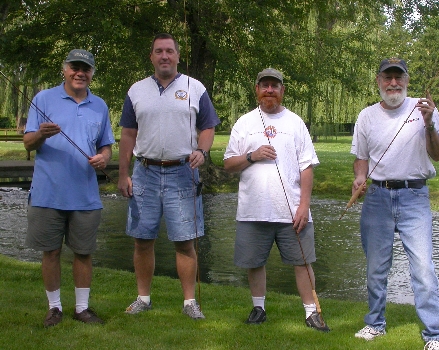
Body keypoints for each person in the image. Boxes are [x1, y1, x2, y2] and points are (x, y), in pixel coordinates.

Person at [118, 33, 219, 319]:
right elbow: (127, 134)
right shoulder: (136, 90)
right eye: (159, 51)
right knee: (142, 238)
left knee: (185, 240)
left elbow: (209, 127)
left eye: (170, 51)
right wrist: (124, 174)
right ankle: (143, 298)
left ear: (177, 56)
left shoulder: (194, 87)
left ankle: (189, 302)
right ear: (151, 56)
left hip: (183, 172)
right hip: (145, 172)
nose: (164, 56)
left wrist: (202, 149)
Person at [350, 57, 439, 350]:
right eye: (387, 77)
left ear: (406, 80)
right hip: (377, 198)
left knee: (422, 267)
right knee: (376, 268)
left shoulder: (424, 108)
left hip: (414, 197)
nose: (393, 83)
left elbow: (438, 154)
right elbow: (361, 157)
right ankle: (375, 323)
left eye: (399, 77)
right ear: (378, 80)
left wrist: (429, 123)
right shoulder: (366, 116)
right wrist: (359, 178)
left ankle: (434, 334)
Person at [223, 68, 329, 332]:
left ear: (282, 91)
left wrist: (304, 205)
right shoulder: (244, 123)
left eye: (275, 86)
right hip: (253, 210)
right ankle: (258, 308)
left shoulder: (295, 123)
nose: (269, 90)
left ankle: (311, 312)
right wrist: (252, 155)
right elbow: (228, 164)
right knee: (254, 262)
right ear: (257, 90)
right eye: (264, 85)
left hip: (291, 210)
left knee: (302, 262)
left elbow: (307, 166)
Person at [24, 49, 115, 327]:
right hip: (47, 193)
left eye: (85, 69)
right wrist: (41, 134)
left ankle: (82, 308)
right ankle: (54, 308)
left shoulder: (99, 105)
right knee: (50, 252)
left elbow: (107, 146)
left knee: (83, 252)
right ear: (64, 70)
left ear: (91, 74)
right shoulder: (43, 99)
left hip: (85, 195)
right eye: (74, 67)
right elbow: (28, 143)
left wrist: (104, 158)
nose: (80, 73)